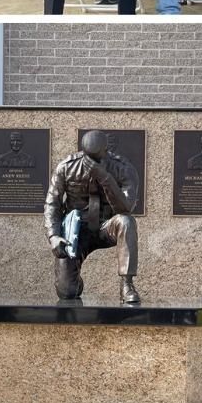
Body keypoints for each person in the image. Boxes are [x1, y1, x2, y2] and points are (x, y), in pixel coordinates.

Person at [44, 129, 140, 304]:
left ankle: (127, 284)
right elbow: (53, 203)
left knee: (126, 221)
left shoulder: (123, 168)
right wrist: (54, 236)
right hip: (77, 231)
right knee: (66, 292)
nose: (91, 161)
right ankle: (73, 280)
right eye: (88, 156)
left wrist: (104, 177)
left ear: (106, 150)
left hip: (107, 226)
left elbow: (125, 208)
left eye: (97, 156)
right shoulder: (66, 167)